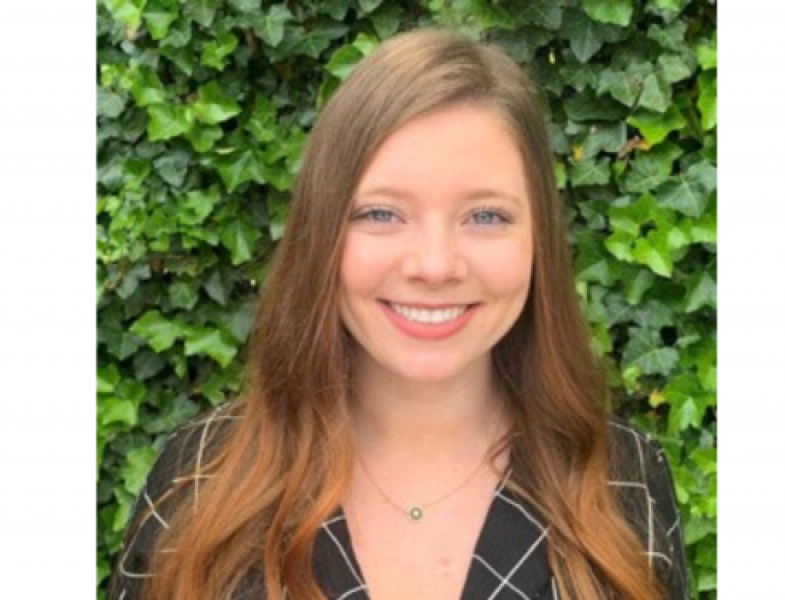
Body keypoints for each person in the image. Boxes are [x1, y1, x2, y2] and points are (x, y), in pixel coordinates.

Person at [108, 29, 690, 600]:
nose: (435, 266)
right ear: (322, 231)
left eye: (485, 216)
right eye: (382, 214)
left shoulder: (626, 480)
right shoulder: (200, 479)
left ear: (539, 238)